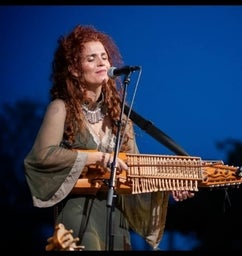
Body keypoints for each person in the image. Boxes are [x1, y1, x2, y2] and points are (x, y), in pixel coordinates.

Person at [24, 24, 194, 251]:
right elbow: (42, 157)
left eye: (104, 57)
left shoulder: (121, 117)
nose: (102, 62)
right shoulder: (60, 108)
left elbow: (135, 171)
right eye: (91, 58)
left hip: (116, 216)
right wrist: (96, 158)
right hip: (79, 212)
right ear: (74, 69)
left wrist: (167, 188)